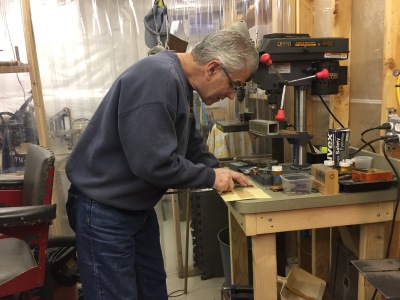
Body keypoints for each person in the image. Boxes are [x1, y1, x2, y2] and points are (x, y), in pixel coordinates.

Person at [65, 29, 259, 300]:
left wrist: (220, 169)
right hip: (104, 209)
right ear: (213, 68)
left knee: (152, 290)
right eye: (234, 85)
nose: (230, 95)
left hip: (135, 206)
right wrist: (209, 177)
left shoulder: (180, 81)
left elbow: (189, 141)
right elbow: (153, 164)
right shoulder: (159, 78)